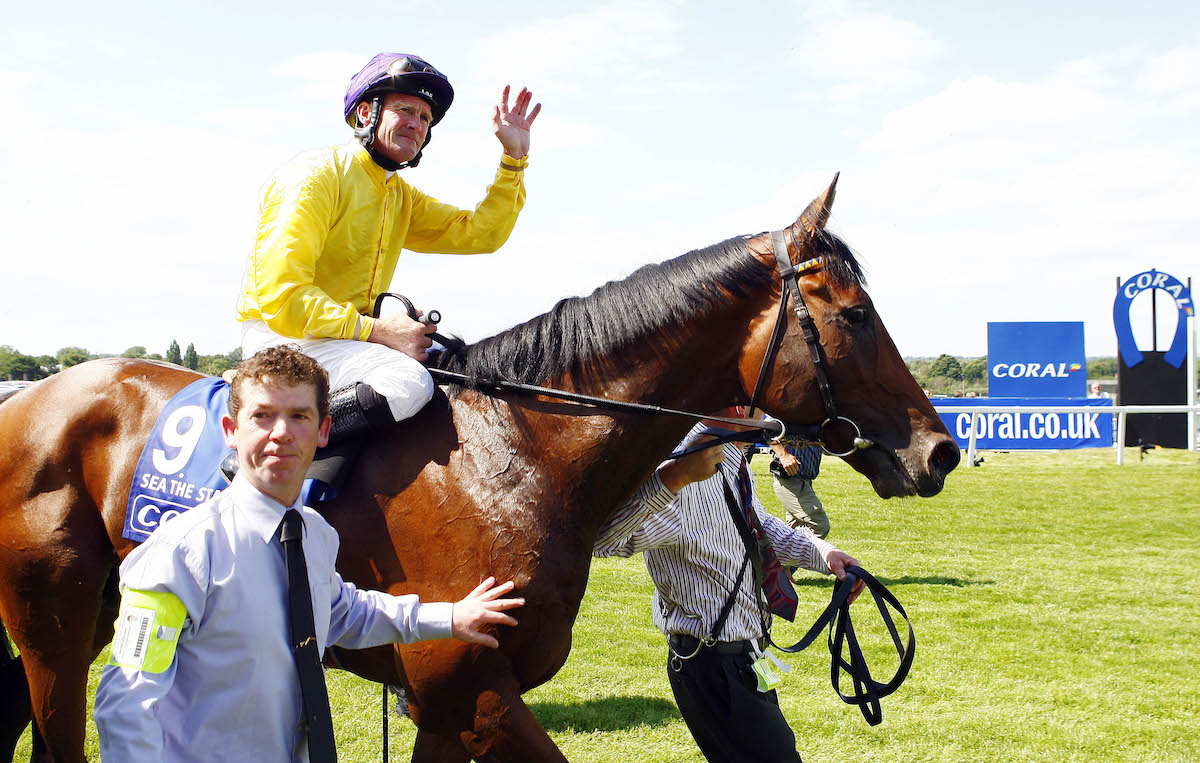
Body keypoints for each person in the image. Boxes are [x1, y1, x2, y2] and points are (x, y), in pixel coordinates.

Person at [94, 346, 524, 761]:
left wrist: (451, 618)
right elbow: (128, 699)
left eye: (298, 416)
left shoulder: (313, 535)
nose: (280, 432)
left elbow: (341, 612)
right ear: (230, 432)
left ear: (323, 432)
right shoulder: (181, 554)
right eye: (262, 416)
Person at [236, 52, 541, 439]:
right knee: (408, 381)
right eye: (405, 110)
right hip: (284, 338)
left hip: (344, 339)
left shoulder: (399, 197)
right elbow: (284, 300)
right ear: (366, 114)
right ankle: (269, 457)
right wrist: (379, 330)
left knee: (455, 371)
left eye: (426, 119)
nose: (417, 124)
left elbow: (480, 233)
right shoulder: (313, 176)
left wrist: (514, 159)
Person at [594, 411, 862, 763]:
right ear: (736, 407)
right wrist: (671, 479)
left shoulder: (732, 458)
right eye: (756, 400)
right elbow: (604, 540)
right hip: (713, 666)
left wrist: (824, 555)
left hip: (745, 659)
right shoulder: (681, 463)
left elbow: (759, 523)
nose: (768, 413)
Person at [767, 440, 830, 539]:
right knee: (819, 526)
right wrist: (783, 455)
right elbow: (768, 431)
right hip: (790, 480)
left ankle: (781, 550)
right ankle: (776, 546)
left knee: (794, 527)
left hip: (805, 481)